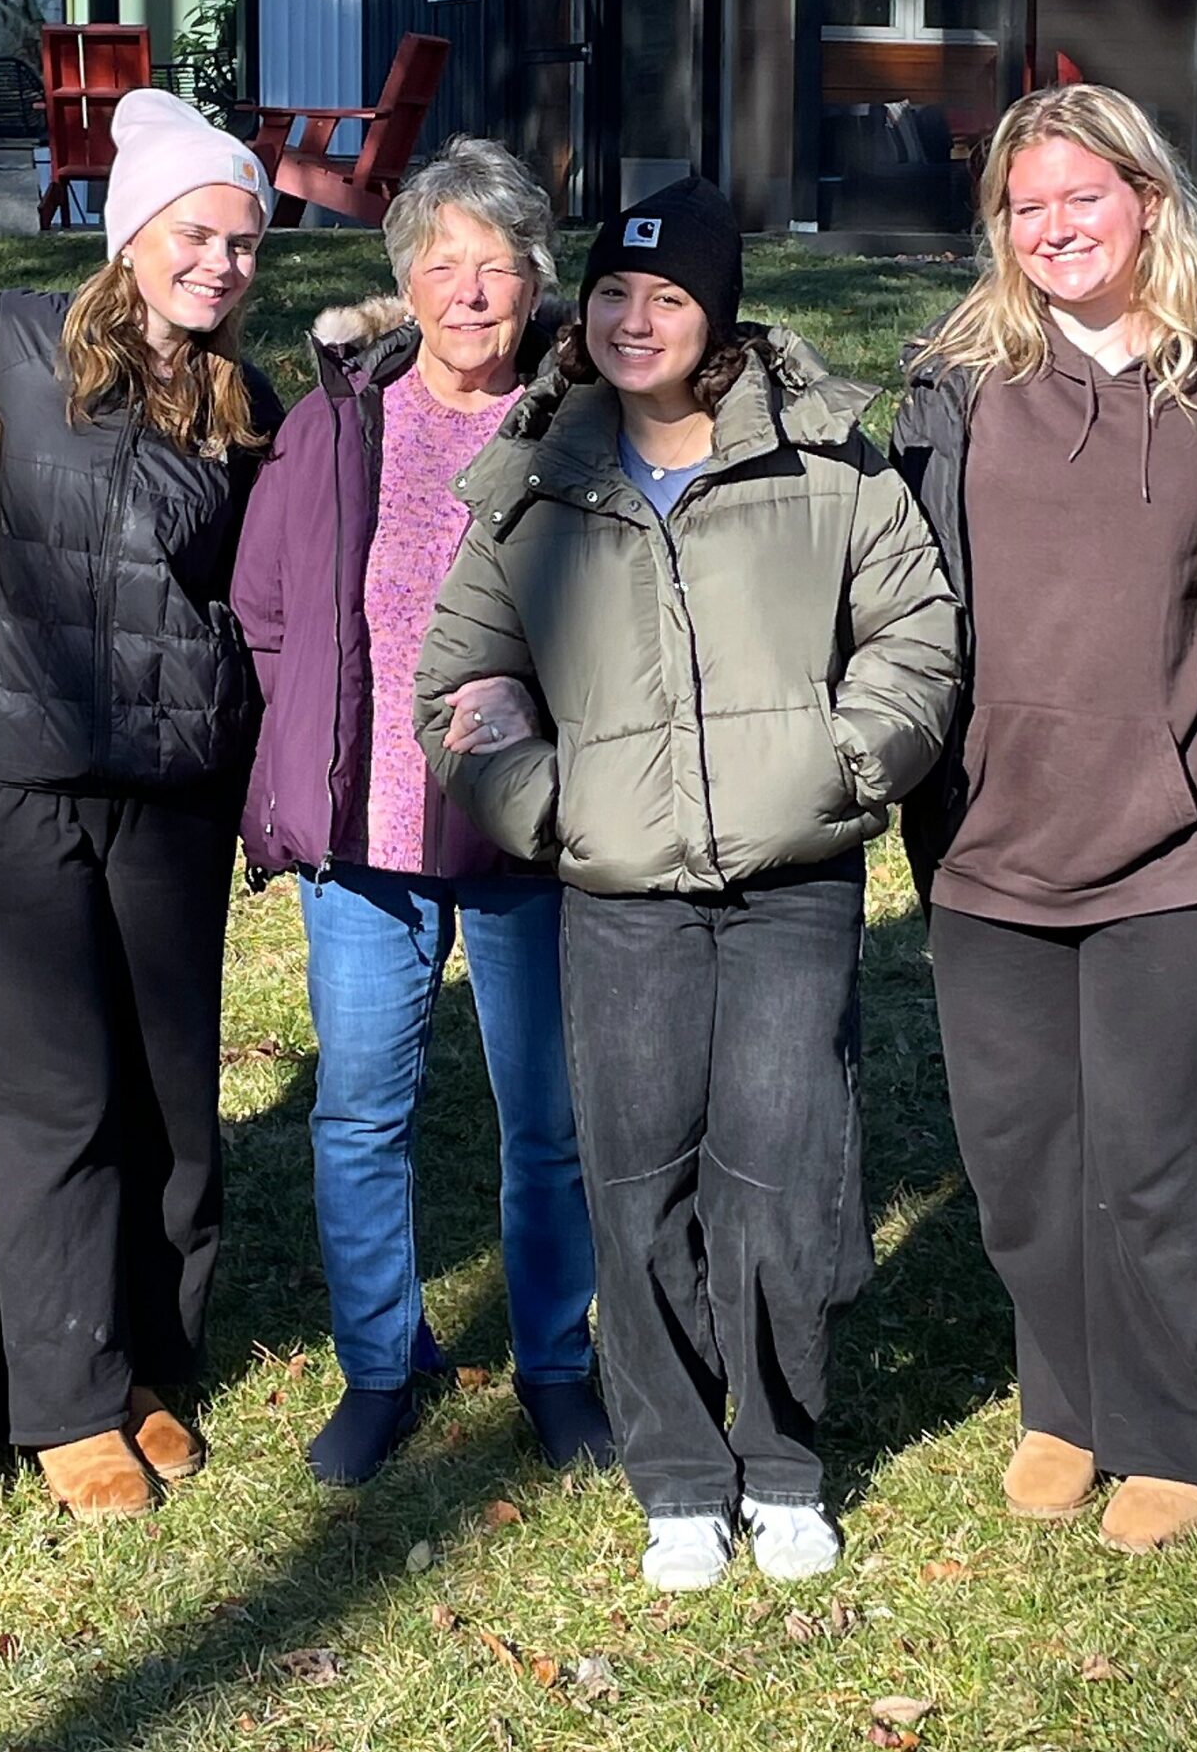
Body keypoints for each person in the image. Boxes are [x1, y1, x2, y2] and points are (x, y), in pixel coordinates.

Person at [416, 176, 960, 1589]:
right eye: (613, 293)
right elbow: (457, 682)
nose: (635, 319)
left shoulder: (822, 461)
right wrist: (552, 806)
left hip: (790, 881)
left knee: (783, 1171)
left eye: (668, 297)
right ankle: (674, 1471)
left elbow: (916, 633)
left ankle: (780, 1460)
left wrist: (842, 765)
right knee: (636, 1174)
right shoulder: (542, 476)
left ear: (720, 315)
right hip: (621, 897)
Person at [892, 84, 1197, 1553]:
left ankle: (1176, 1427)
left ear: (1146, 198)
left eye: (1085, 196)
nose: (1057, 226)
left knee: (1151, 1155)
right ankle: (1065, 1404)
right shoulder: (955, 381)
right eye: (1028, 205)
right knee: (1021, 1155)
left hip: (1173, 830)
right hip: (989, 832)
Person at [233, 138, 609, 1487]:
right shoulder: (338, 421)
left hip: (526, 833)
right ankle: (382, 1366)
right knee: (358, 1113)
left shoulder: (583, 421)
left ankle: (557, 1363)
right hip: (367, 835)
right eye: (443, 265)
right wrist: (314, 747)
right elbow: (267, 609)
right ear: (407, 283)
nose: (470, 292)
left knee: (548, 1120)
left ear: (535, 281)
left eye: (496, 266)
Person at [0, 89, 279, 1518]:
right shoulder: (6, 341)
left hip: (174, 789)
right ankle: (62, 1395)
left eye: (244, 242)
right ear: (130, 233)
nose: (220, 263)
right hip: (15, 778)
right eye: (195, 233)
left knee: (169, 1091)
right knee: (56, 1092)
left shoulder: (244, 404)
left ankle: (145, 1356)